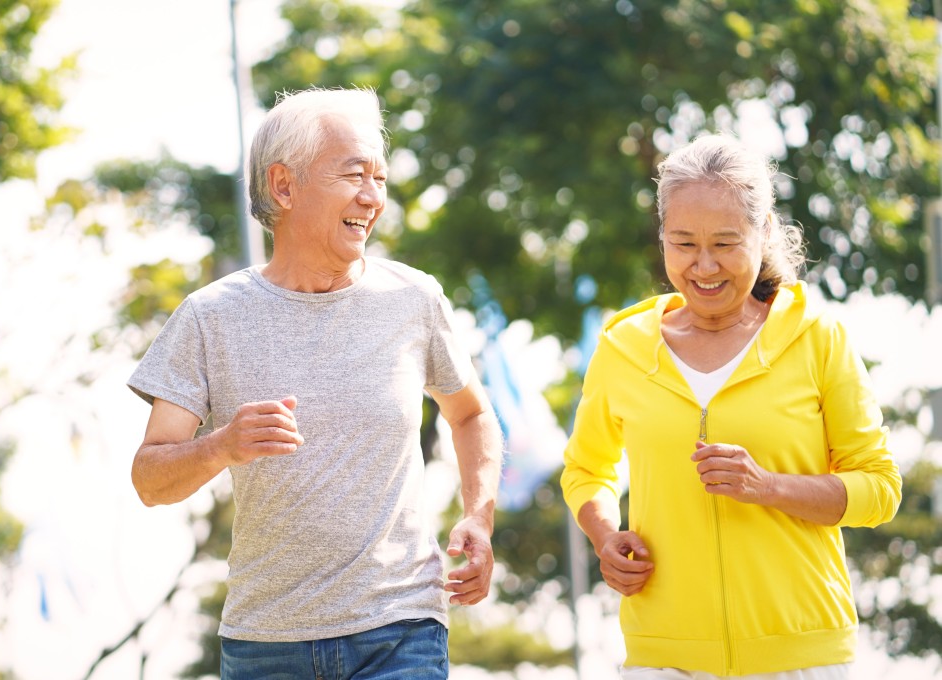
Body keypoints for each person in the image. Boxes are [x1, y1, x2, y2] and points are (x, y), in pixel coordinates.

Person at [128, 86, 502, 679]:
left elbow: (471, 415)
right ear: (284, 185)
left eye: (380, 179)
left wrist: (478, 515)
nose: (373, 197)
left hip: (401, 629)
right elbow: (150, 479)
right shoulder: (210, 316)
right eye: (355, 174)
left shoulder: (415, 299)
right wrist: (221, 446)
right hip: (266, 645)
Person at [561, 134, 901, 680]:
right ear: (662, 238)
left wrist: (768, 487)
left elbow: (880, 489)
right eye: (683, 243)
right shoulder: (622, 346)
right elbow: (585, 469)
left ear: (763, 233)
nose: (703, 266)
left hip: (800, 656)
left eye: (724, 243)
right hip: (664, 658)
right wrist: (606, 536)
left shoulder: (818, 338)